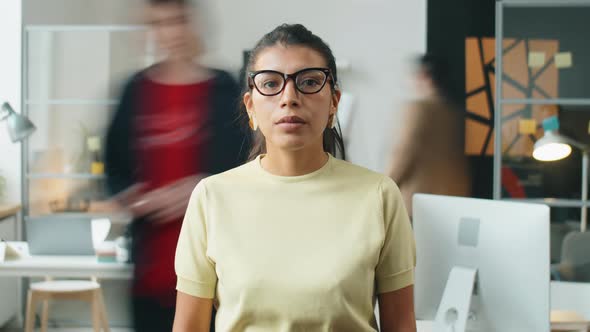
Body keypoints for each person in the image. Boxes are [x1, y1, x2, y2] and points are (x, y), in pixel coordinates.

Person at [173, 23, 416, 332]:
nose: (289, 97)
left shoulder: (379, 195)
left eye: (310, 82)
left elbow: (402, 326)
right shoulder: (211, 197)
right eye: (271, 84)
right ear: (250, 107)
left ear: (334, 104)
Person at [104, 0, 248, 331]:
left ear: (195, 24)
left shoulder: (226, 88)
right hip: (151, 274)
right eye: (159, 23)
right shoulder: (134, 91)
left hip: (217, 273)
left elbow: (250, 167)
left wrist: (203, 189)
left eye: (178, 21)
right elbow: (113, 169)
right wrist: (136, 200)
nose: (171, 32)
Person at [387, 55, 471, 216]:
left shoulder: (418, 109)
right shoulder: (453, 112)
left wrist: (383, 187)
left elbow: (404, 153)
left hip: (419, 202)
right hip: (453, 201)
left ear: (424, 76)